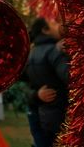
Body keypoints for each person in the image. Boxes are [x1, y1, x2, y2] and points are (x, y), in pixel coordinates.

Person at [25, 17, 69, 147]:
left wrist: (36, 95)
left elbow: (24, 87)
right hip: (61, 118)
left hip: (42, 117)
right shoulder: (54, 51)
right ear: (45, 30)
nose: (59, 24)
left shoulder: (30, 54)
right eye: (54, 22)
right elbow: (72, 77)